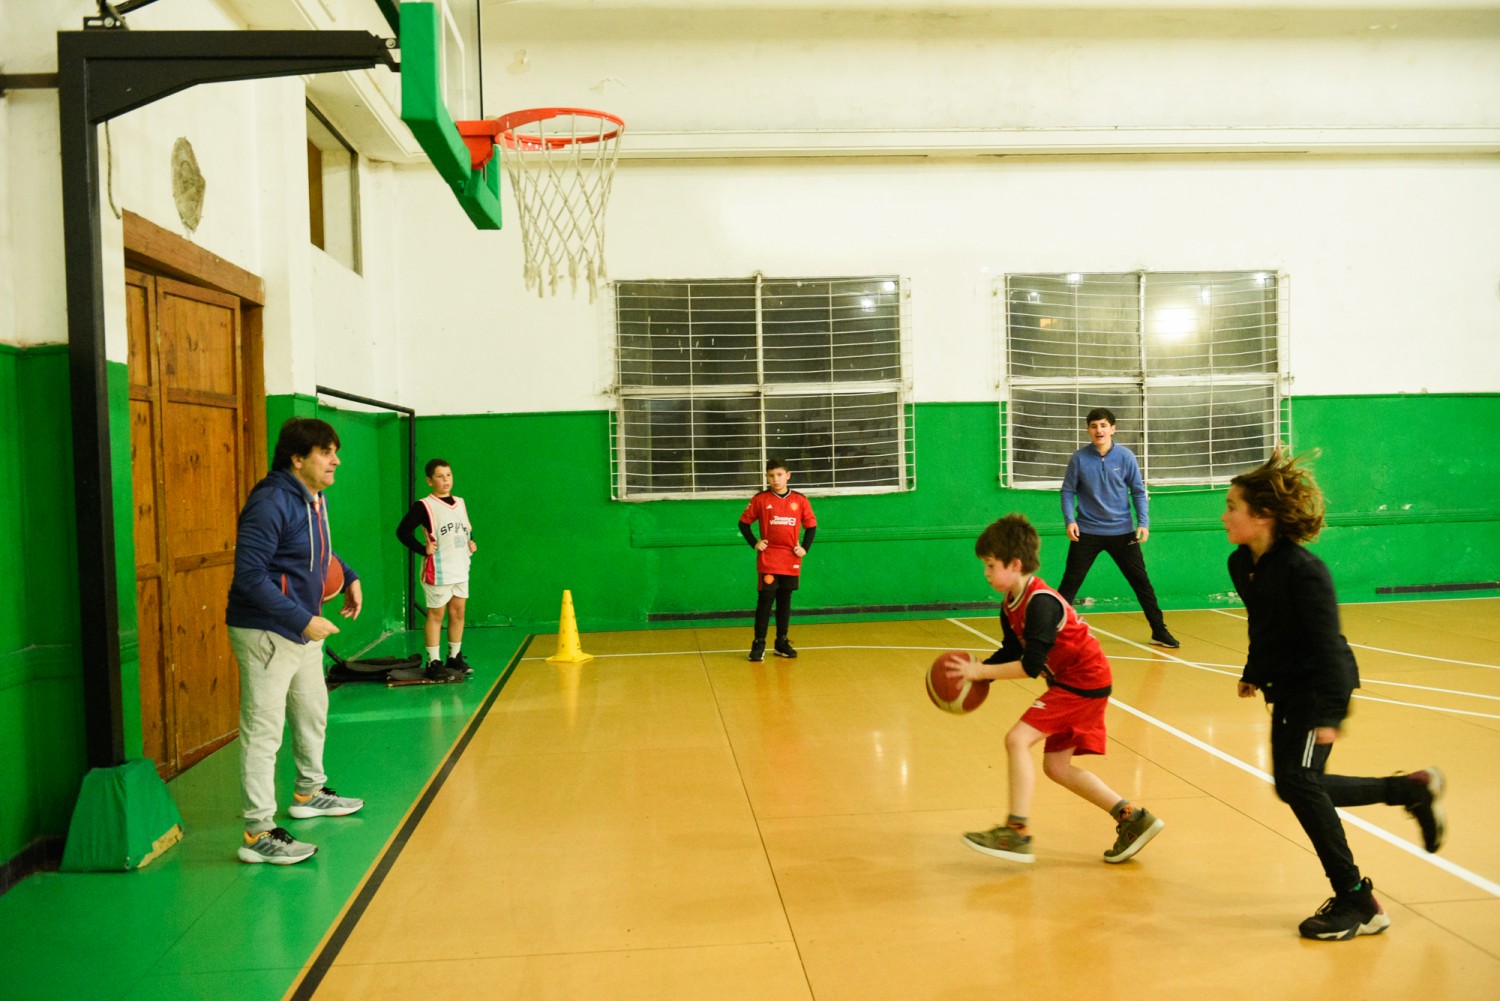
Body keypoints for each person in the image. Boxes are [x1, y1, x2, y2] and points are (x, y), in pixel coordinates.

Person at [1224, 448, 1446, 941]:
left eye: (1232, 506)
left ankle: (1357, 900)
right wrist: (1253, 671)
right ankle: (1407, 789)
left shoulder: (1305, 571)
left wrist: (1332, 713)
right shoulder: (1243, 564)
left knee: (1299, 783)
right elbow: (1264, 626)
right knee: (1294, 784)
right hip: (1286, 686)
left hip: (1318, 686)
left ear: (1261, 517)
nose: (1225, 515)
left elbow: (1327, 644)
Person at [950, 514, 1164, 865]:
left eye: (990, 565)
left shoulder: (1041, 602)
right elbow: (1013, 651)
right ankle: (1132, 819)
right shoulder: (1010, 603)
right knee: (1057, 767)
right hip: (1076, 681)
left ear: (1015, 564)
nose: (986, 573)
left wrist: (981, 671)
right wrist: (979, 674)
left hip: (1083, 681)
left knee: (1016, 739)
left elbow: (1031, 666)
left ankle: (1016, 832)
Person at [226, 417, 365, 865]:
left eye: (335, 451)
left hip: (302, 629)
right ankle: (257, 832)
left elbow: (315, 549)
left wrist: (350, 576)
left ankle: (308, 792)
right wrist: (302, 620)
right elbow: (248, 577)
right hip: (267, 630)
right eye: (326, 452)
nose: (336, 460)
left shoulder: (313, 499)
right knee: (264, 730)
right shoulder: (270, 502)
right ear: (297, 458)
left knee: (311, 711)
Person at [1057, 407, 1179, 648]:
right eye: (1093, 426)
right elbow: (1067, 491)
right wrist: (1070, 520)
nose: (1098, 430)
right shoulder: (1079, 459)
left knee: (1141, 583)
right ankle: (1049, 633)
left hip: (1122, 532)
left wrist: (1143, 522)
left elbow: (1138, 491)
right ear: (1088, 430)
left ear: (1113, 429)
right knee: (1069, 584)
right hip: (1087, 532)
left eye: (1103, 425)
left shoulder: (1125, 457)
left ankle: (1159, 631)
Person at [396, 458, 477, 682]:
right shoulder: (424, 506)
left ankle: (454, 657)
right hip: (438, 569)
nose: (445, 480)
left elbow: (465, 529)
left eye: (448, 475)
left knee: (458, 613)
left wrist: (472, 542)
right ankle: (433, 661)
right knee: (437, 615)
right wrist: (423, 549)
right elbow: (402, 532)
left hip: (461, 567)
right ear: (429, 480)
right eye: (440, 476)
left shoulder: (460, 502)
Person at [738, 456, 817, 662]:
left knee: (785, 601)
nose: (776, 479)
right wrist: (755, 542)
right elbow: (743, 524)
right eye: (771, 475)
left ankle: (781, 642)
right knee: (765, 601)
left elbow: (811, 526)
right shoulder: (760, 500)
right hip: (769, 559)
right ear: (767, 477)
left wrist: (804, 548)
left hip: (790, 559)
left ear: (788, 476)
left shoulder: (800, 500)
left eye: (780, 475)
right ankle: (759, 643)